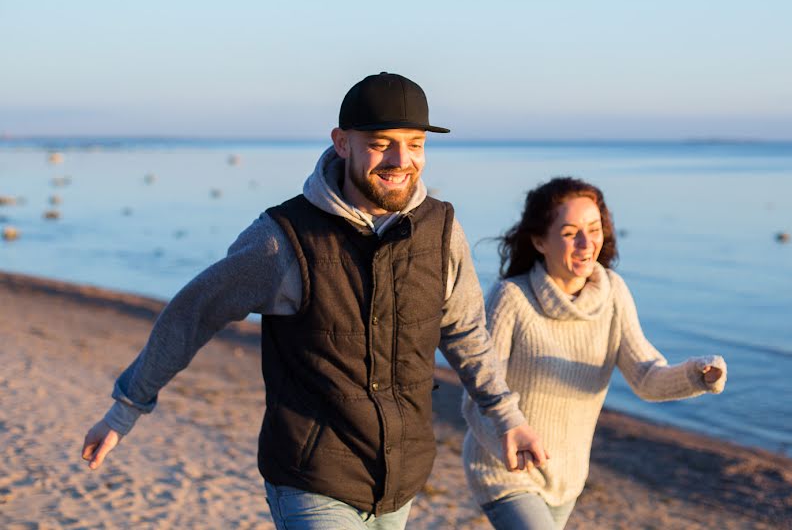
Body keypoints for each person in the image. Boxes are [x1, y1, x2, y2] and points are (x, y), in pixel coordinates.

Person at [81, 72, 547, 529]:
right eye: (381, 142)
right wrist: (126, 408)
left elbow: (464, 331)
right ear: (341, 142)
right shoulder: (283, 238)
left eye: (416, 143)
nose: (401, 159)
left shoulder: (440, 230)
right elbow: (195, 311)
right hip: (311, 480)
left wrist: (506, 418)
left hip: (400, 481)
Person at [461, 177, 727, 529]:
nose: (587, 244)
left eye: (594, 229)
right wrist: (509, 444)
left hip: (567, 476)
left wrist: (696, 375)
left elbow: (645, 377)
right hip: (506, 471)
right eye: (571, 233)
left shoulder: (612, 293)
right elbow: (478, 393)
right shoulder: (512, 298)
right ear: (540, 240)